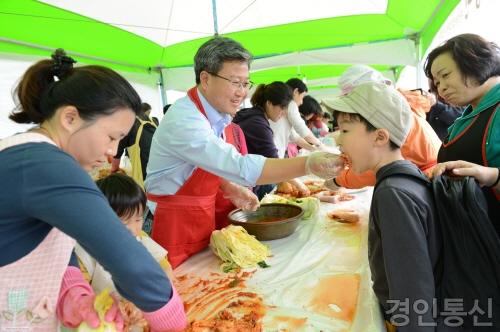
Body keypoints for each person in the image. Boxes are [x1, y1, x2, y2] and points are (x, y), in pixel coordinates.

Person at [0, 50, 186, 331]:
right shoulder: (45, 164)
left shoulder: (26, 154)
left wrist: (73, 290)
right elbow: (127, 259)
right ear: (70, 118)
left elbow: (45, 236)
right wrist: (172, 318)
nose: (112, 151)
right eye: (112, 137)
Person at [144, 37, 342, 268]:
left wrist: (229, 186)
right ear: (205, 79)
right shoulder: (185, 120)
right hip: (171, 226)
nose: (242, 93)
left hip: (198, 219)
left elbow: (200, 163)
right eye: (235, 82)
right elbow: (238, 165)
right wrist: (308, 164)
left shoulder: (218, 114)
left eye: (246, 83)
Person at [327, 81, 444, 331]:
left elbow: (413, 291)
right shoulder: (403, 178)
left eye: (345, 131)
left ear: (380, 136)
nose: (338, 141)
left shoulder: (393, 194)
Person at [424, 33, 500, 233]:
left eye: (445, 75)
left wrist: (493, 176)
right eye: (437, 83)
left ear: (475, 61)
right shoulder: (467, 116)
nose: (441, 89)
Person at [323, 65, 442, 189]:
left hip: (426, 181)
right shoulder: (400, 109)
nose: (339, 142)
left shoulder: (392, 121)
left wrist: (339, 180)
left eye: (345, 130)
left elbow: (376, 166)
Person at [76, 173, 174, 295]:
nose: (133, 230)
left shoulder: (140, 238)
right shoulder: (86, 251)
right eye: (124, 222)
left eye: (138, 219)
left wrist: (164, 285)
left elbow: (163, 265)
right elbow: (78, 291)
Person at [234, 81, 308, 198]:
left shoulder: (255, 116)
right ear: (269, 103)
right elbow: (274, 160)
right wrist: (299, 184)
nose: (283, 113)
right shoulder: (257, 123)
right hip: (241, 182)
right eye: (282, 108)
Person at [269, 78, 321, 158]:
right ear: (296, 92)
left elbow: (295, 137)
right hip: (273, 150)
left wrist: (313, 149)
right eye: (302, 96)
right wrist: (320, 145)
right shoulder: (291, 103)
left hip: (272, 150)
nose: (301, 102)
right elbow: (302, 129)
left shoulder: (284, 105)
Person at [111, 102, 158, 189]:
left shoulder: (130, 125)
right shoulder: (154, 121)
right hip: (159, 171)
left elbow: (117, 152)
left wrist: (114, 170)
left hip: (143, 173)